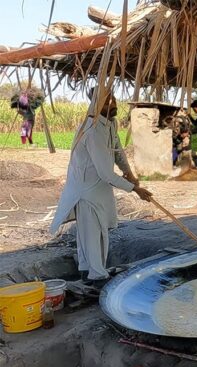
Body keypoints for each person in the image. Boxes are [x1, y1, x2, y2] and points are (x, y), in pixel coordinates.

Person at [50, 88, 152, 287]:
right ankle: (96, 277)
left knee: (99, 233)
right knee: (90, 235)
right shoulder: (93, 130)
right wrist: (135, 189)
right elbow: (106, 173)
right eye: (108, 102)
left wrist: (129, 173)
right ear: (97, 104)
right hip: (86, 190)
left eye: (113, 100)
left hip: (100, 189)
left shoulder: (110, 123)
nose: (113, 105)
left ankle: (92, 274)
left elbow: (118, 151)